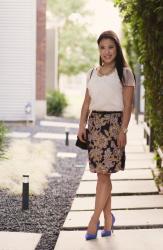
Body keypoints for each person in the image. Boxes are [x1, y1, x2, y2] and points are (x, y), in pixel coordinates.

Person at [77, 30, 136, 240]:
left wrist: (124, 131)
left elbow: (128, 106)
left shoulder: (125, 73)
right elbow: (86, 103)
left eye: (110, 47)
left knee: (103, 176)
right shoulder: (92, 72)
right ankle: (109, 220)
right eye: (102, 48)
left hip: (113, 127)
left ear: (117, 49)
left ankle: (94, 221)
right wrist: (81, 125)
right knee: (103, 175)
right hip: (94, 126)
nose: (106, 52)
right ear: (99, 50)